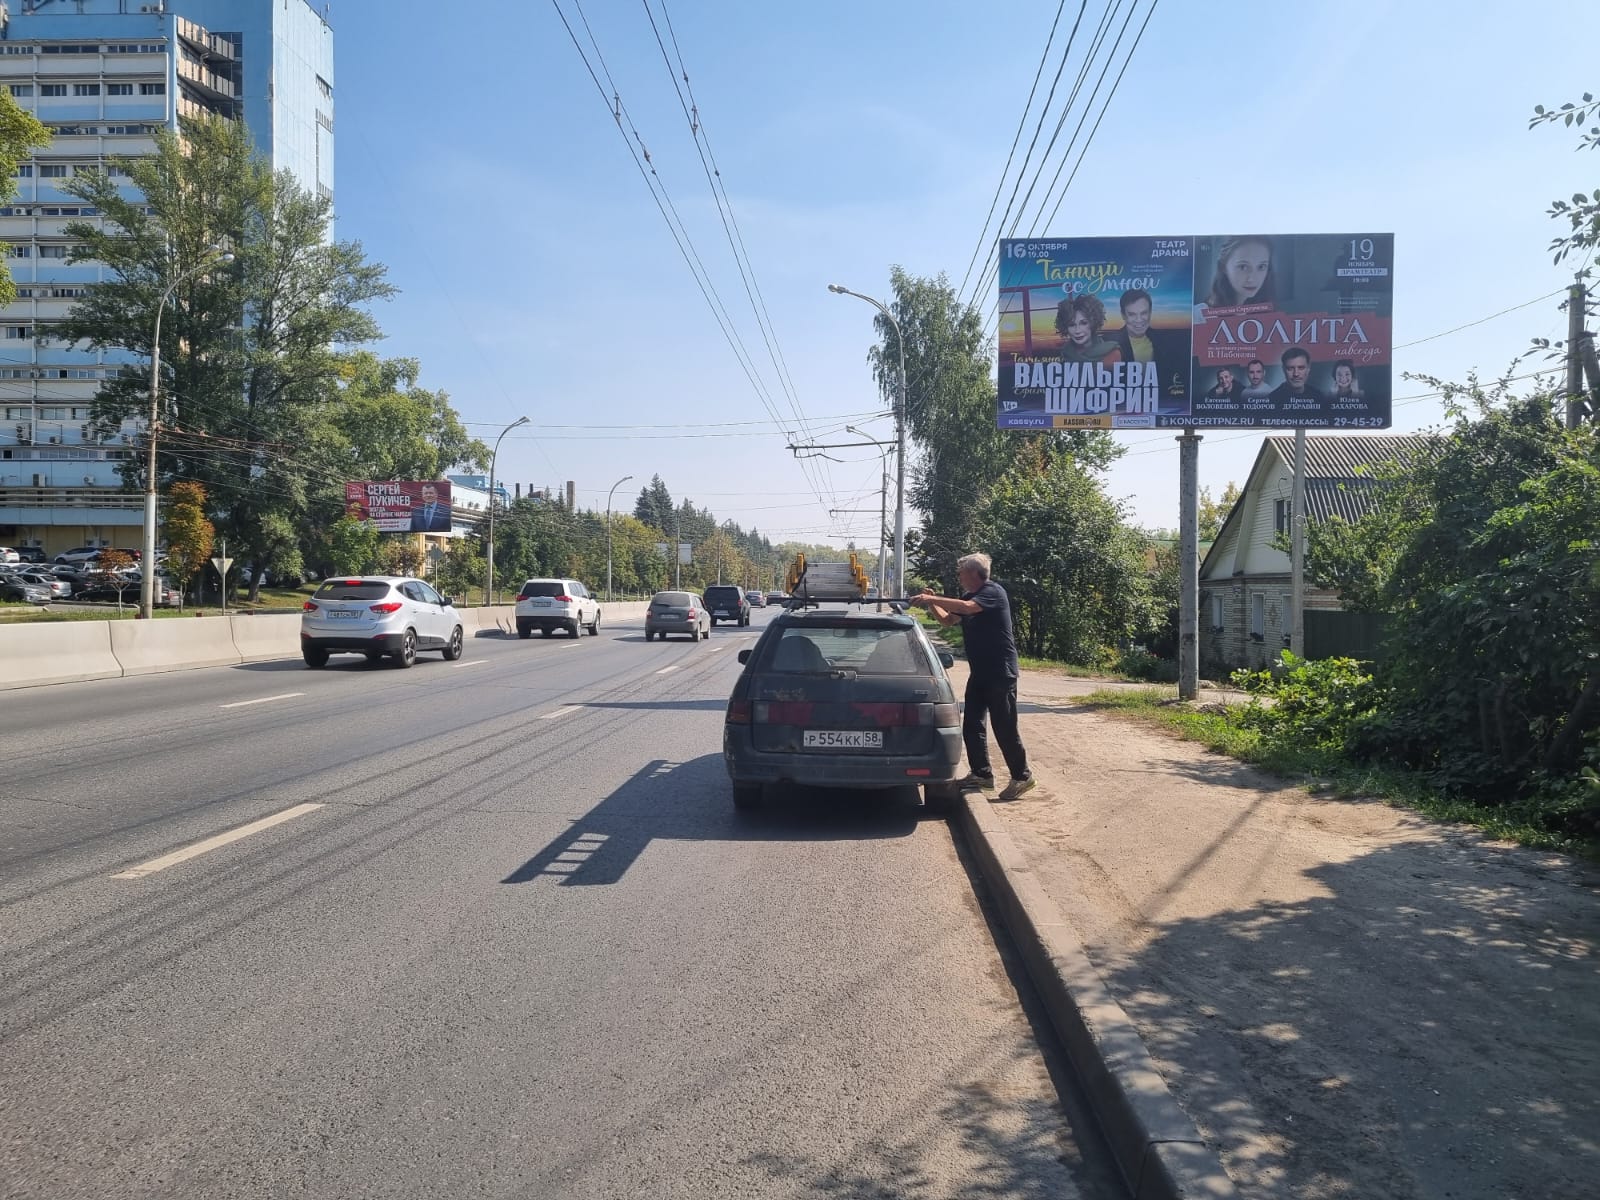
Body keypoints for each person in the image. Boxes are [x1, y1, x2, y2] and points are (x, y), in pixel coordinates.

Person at [911, 553, 1034, 801]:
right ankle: (982, 774)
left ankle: (1022, 776)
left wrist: (930, 597)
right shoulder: (970, 596)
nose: (959, 577)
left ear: (974, 574)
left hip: (1000, 672)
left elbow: (967, 608)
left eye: (961, 573)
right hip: (980, 673)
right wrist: (932, 604)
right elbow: (948, 621)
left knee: (1004, 726)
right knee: (972, 724)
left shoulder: (992, 592)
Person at [1109, 288, 1186, 395]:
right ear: (1123, 315)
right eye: (1132, 314)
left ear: (1150, 312)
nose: (1139, 319)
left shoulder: (1165, 342)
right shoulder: (1107, 343)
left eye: (1144, 313)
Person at [1195, 236, 1275, 319]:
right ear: (1224, 267)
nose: (1252, 279)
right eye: (1243, 267)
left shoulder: (1270, 314)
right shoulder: (1199, 316)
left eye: (1261, 267)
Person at [1054, 294, 1121, 365]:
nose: (1077, 331)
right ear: (1065, 327)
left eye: (1083, 323)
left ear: (1093, 323)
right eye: (1072, 325)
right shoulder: (1064, 353)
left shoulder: (1111, 353)